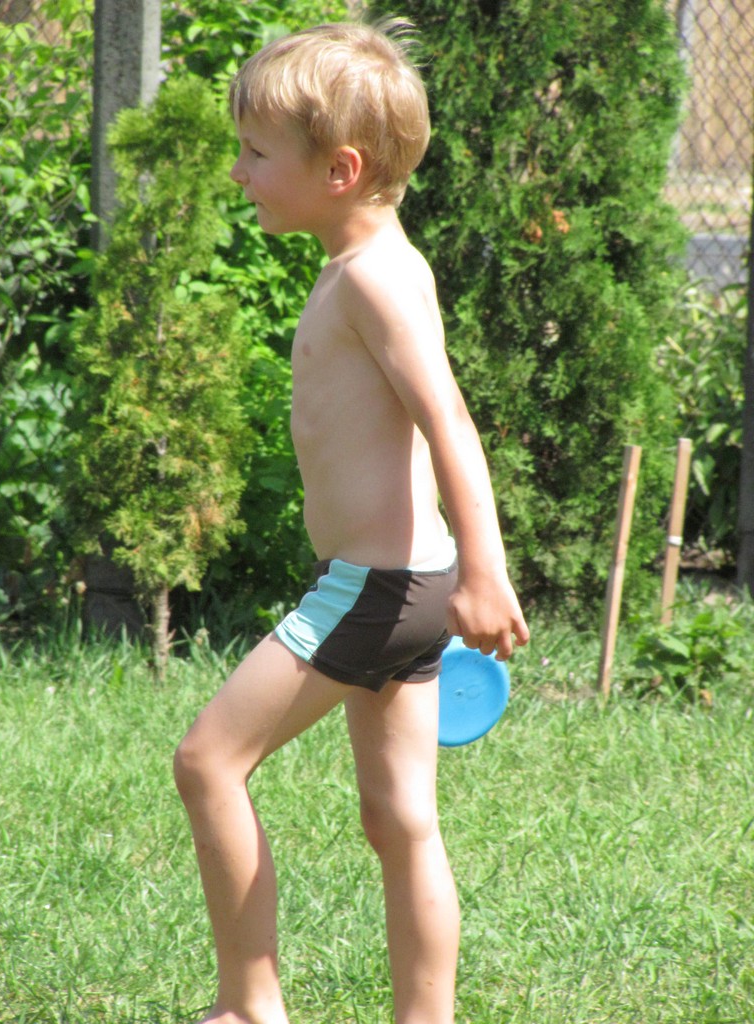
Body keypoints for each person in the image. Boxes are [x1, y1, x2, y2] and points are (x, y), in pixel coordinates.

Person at [173, 18, 529, 1024]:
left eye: (255, 153)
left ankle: (249, 1005)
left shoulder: (372, 278)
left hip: (377, 588)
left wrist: (487, 571)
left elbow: (449, 420)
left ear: (339, 170)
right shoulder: (380, 265)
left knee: (208, 762)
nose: (239, 172)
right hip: (409, 584)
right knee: (401, 819)